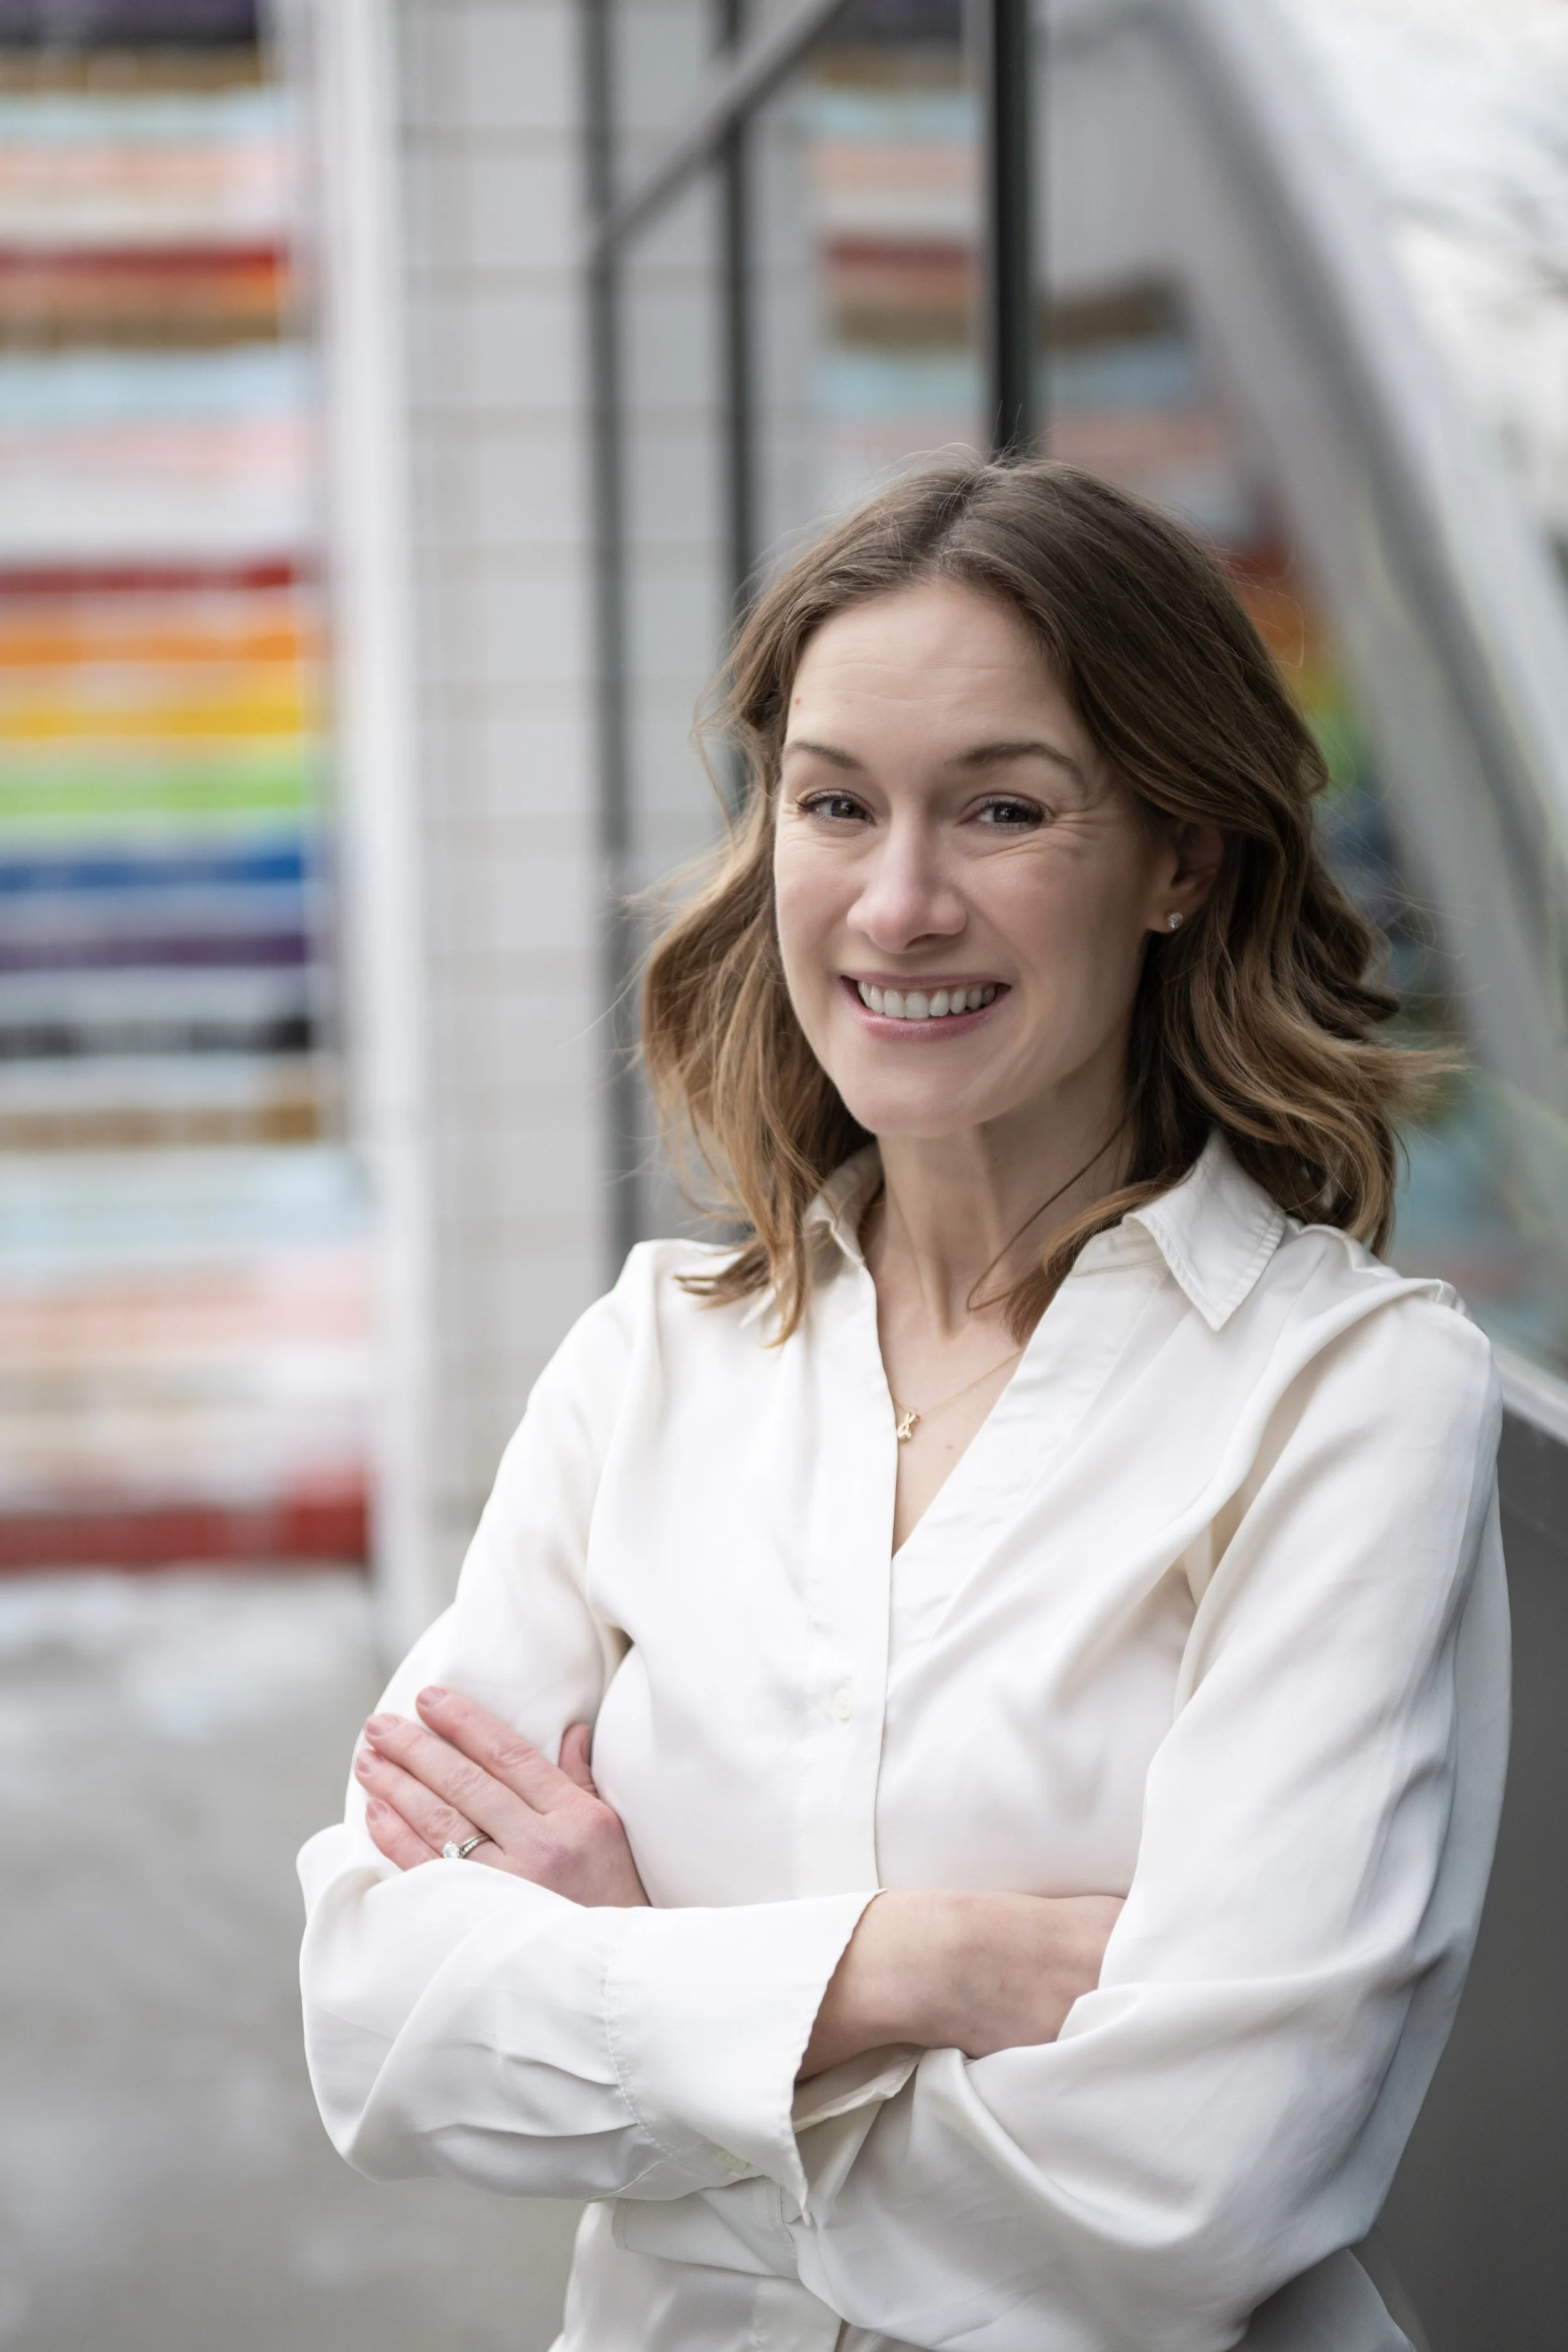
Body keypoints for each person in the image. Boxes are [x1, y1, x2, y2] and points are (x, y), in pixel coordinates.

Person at [298, 459, 1506, 2352]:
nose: (900, 900)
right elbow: (379, 2020)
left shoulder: (1344, 1397)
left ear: (1181, 860)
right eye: (835, 802)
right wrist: (907, 1965)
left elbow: (1184, 2196)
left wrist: (638, 1994)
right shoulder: (650, 1359)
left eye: (1005, 809)